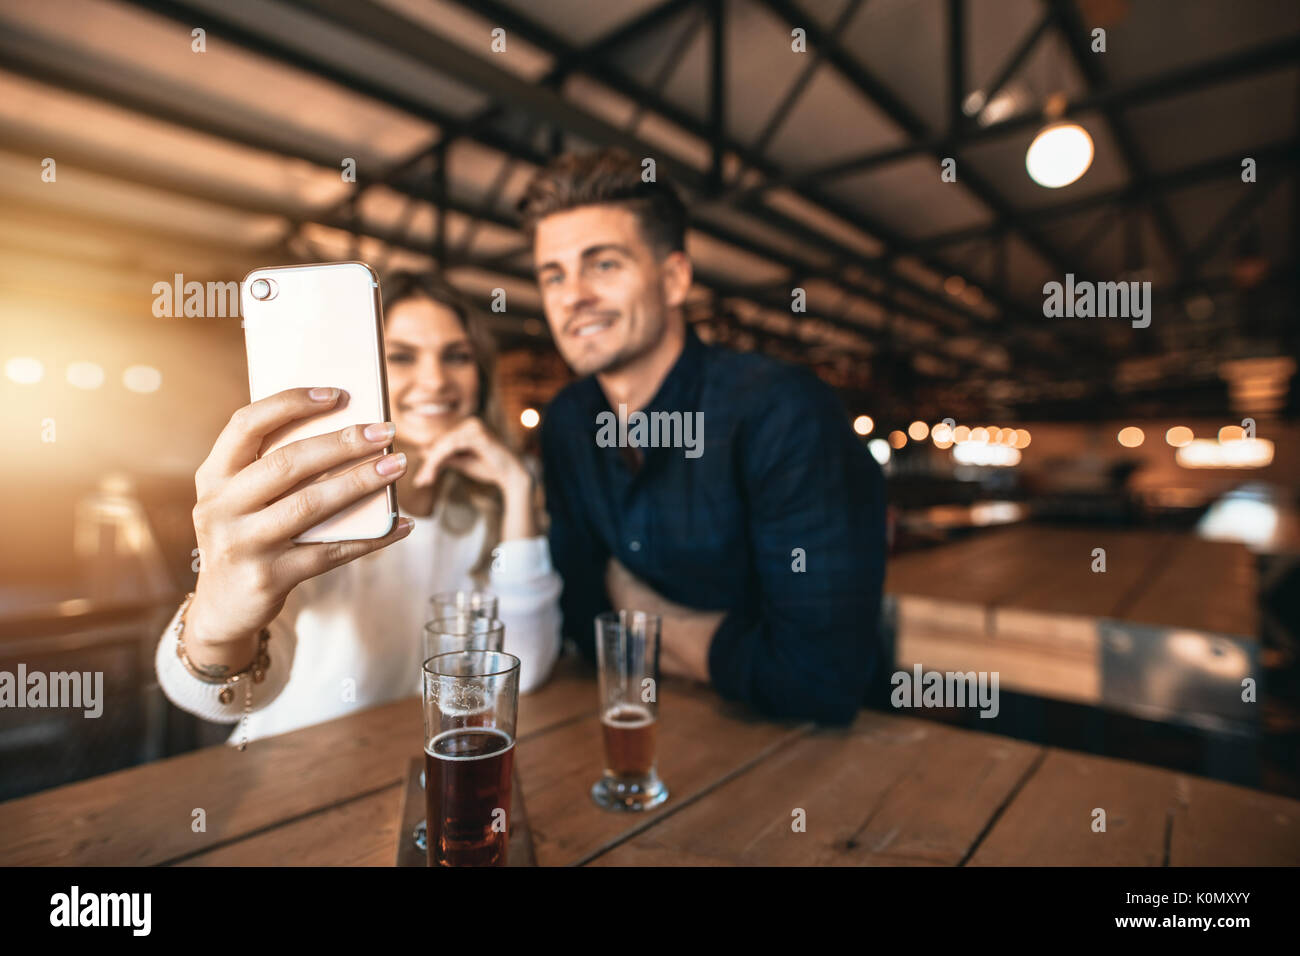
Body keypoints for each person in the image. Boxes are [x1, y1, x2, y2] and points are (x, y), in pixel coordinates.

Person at [520, 148, 886, 725]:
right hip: (634, 739)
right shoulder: (567, 422)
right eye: (553, 275)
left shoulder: (780, 411)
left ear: (673, 278)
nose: (573, 296)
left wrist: (639, 613)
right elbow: (582, 622)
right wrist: (726, 642)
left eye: (604, 265)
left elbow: (821, 678)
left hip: (805, 755)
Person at [154, 271, 561, 743]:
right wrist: (214, 627)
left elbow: (524, 671)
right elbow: (225, 695)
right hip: (288, 775)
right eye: (401, 356)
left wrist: (516, 488)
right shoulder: (311, 503)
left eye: (457, 356)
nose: (435, 380)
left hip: (405, 776)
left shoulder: (483, 506)